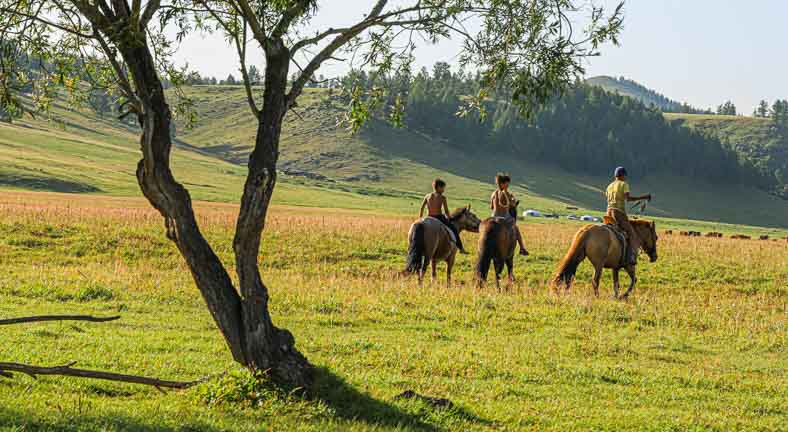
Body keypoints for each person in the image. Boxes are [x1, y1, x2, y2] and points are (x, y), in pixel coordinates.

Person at [605, 166, 651, 265]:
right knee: (632, 234)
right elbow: (628, 199)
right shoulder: (623, 184)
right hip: (618, 213)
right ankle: (630, 257)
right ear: (623, 175)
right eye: (625, 176)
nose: (626, 178)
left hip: (608, 213)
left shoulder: (609, 186)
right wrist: (643, 197)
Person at [419, 178, 467, 254]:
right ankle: (461, 248)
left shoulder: (427, 196)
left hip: (428, 217)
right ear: (438, 187)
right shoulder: (442, 198)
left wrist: (420, 218)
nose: (443, 190)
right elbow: (446, 211)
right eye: (443, 188)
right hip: (439, 217)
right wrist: (449, 218)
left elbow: (422, 208)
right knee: (454, 229)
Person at [490, 173, 529, 256]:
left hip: (493, 216)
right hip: (504, 216)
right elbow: (513, 205)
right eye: (507, 184)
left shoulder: (493, 193)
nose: (508, 186)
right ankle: (522, 248)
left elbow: (491, 207)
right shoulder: (506, 193)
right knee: (516, 228)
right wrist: (513, 200)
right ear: (502, 184)